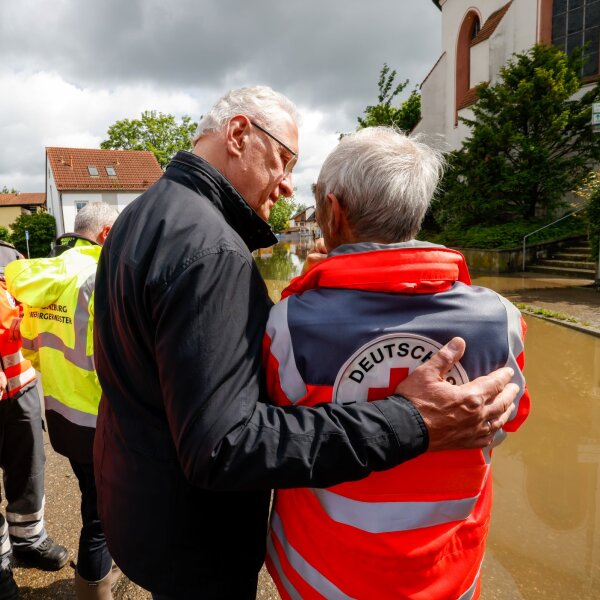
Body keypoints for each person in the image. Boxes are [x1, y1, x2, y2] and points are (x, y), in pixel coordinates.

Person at [92, 86, 519, 599]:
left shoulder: (145, 215)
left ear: (334, 213)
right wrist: (410, 419)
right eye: (283, 160)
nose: (289, 187)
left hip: (144, 500)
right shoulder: (213, 251)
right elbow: (226, 445)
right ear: (238, 133)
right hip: (196, 535)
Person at [263, 127, 531, 600]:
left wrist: (312, 288)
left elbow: (277, 436)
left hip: (321, 577)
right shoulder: (501, 318)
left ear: (335, 211)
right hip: (449, 576)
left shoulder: (290, 323)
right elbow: (505, 423)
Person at [5, 204, 120, 600]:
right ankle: (93, 587)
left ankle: (100, 571)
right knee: (101, 517)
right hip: (100, 420)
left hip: (59, 417)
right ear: (106, 234)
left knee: (92, 496)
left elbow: (33, 350)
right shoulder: (99, 278)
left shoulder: (44, 277)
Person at [0, 240, 68, 600]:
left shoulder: (9, 255)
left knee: (29, 467)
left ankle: (28, 539)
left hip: (20, 388)